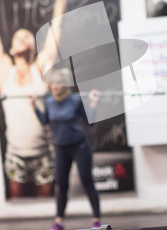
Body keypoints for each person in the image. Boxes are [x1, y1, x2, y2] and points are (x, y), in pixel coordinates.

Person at [0, 0, 67, 197]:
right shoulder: (5, 71)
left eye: (27, 37)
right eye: (17, 37)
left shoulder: (39, 68)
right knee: (18, 212)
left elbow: (56, 28)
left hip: (43, 153)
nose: (23, 39)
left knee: (44, 208)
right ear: (11, 49)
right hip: (15, 154)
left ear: (34, 46)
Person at [30, 68, 101, 230]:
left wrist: (94, 104)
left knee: (87, 182)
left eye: (58, 83)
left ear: (66, 85)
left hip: (79, 146)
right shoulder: (49, 102)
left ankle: (96, 221)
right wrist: (34, 106)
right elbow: (44, 121)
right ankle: (58, 222)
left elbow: (91, 122)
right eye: (52, 83)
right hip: (61, 149)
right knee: (61, 186)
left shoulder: (75, 100)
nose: (54, 86)